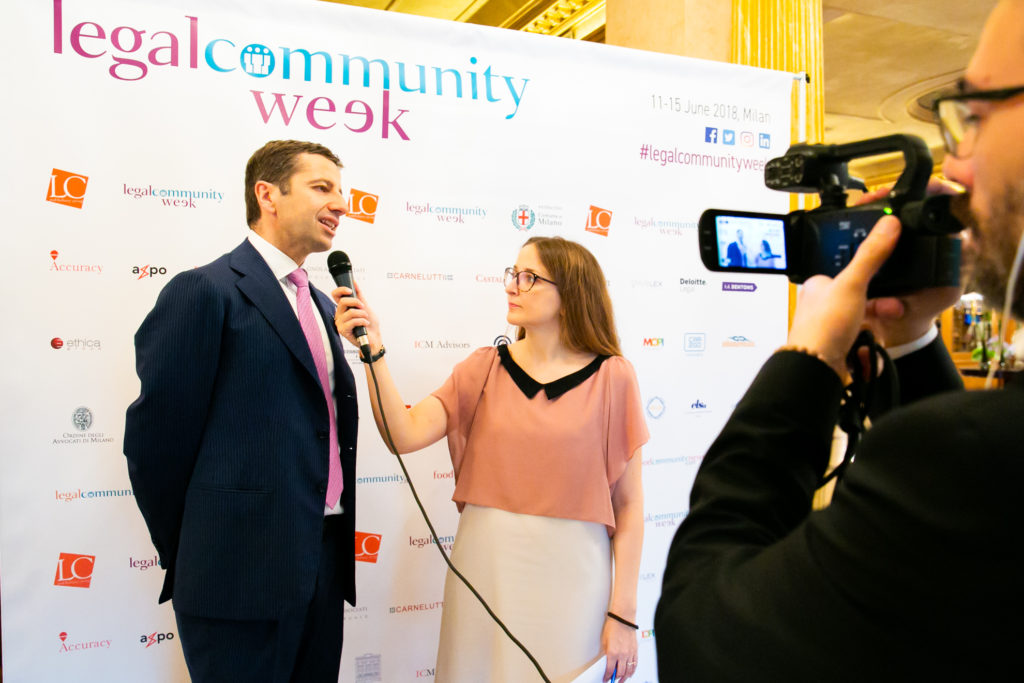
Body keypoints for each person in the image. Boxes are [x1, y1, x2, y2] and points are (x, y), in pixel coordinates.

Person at [654, 1, 1024, 679]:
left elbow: (699, 629)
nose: (958, 165)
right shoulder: (973, 462)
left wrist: (809, 357)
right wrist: (907, 338)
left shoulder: (972, 460)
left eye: (973, 116)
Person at [334, 236, 649, 683]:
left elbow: (630, 505)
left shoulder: (613, 376)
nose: (512, 286)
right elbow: (402, 434)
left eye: (529, 277)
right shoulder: (483, 368)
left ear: (571, 293)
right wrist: (374, 353)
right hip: (483, 570)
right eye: (513, 274)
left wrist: (624, 613)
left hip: (574, 581)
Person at [124, 140, 358, 683]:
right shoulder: (204, 291)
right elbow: (156, 446)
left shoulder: (323, 304)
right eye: (322, 188)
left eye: (341, 190)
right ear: (267, 195)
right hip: (235, 574)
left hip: (321, 564)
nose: (341, 204)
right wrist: (198, 548)